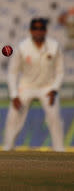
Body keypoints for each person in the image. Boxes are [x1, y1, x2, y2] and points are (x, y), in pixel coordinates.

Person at [4, 18, 65, 152]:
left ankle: (59, 150)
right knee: (13, 117)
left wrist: (54, 89)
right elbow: (12, 72)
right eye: (35, 29)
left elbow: (60, 71)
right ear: (31, 31)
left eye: (41, 29)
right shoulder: (22, 47)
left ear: (45, 31)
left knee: (54, 117)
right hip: (26, 86)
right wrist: (14, 94)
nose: (38, 32)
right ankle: (8, 148)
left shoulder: (54, 46)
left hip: (47, 87)